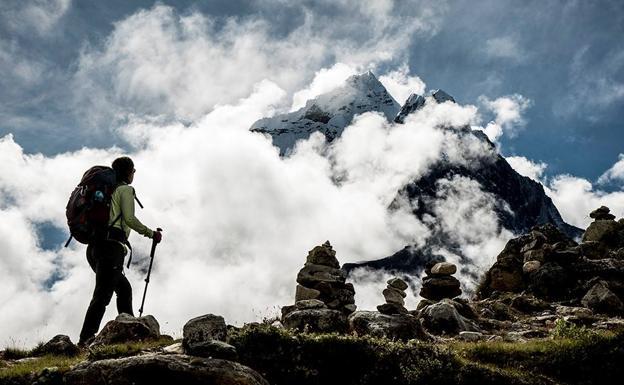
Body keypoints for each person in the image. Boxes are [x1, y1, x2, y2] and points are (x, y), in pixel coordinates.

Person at [78, 156, 162, 346]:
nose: (134, 174)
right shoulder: (125, 190)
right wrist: (151, 234)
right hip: (110, 247)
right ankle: (84, 340)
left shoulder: (107, 192)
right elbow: (130, 219)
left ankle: (130, 333)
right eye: (133, 171)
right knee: (102, 295)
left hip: (94, 248)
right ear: (127, 172)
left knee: (123, 290)